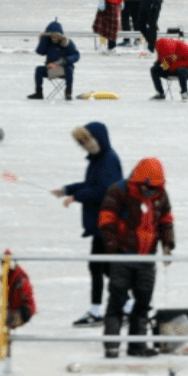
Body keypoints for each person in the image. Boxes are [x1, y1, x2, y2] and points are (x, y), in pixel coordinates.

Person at [98, 158, 174, 359]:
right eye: (147, 188)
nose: (150, 192)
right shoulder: (119, 191)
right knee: (117, 302)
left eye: (154, 188)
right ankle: (111, 346)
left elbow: (166, 221)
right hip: (122, 257)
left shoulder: (160, 195)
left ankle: (137, 345)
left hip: (147, 260)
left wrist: (167, 246)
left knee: (143, 303)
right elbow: (106, 221)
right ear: (138, 181)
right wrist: (113, 251)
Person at [52, 123, 123, 328]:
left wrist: (75, 197)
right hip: (102, 223)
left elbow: (103, 191)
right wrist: (67, 189)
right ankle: (124, 306)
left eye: (89, 141)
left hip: (108, 223)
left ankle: (98, 311)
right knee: (106, 269)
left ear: (100, 138)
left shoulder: (108, 160)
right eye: (83, 144)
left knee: (99, 267)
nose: (87, 146)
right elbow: (91, 184)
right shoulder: (98, 160)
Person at [28, 20, 79, 101]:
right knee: (39, 70)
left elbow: (76, 55)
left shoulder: (67, 43)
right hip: (51, 69)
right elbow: (39, 52)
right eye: (52, 36)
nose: (54, 38)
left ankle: (68, 93)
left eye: (56, 36)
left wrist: (65, 61)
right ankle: (39, 93)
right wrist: (44, 39)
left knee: (69, 69)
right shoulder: (47, 42)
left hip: (64, 70)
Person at [150, 36, 188, 101]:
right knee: (154, 69)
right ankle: (160, 93)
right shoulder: (161, 47)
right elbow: (162, 59)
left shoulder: (183, 47)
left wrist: (174, 66)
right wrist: (158, 63)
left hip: (184, 70)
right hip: (170, 69)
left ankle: (184, 93)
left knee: (181, 71)